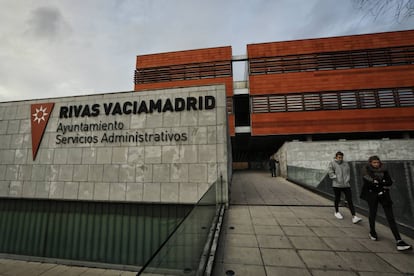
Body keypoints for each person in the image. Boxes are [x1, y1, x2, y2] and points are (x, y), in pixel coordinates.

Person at [360, 155, 412, 251]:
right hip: (372, 196)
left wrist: (379, 182)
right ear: (370, 163)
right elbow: (369, 183)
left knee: (390, 217)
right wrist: (382, 182)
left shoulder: (384, 170)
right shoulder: (366, 171)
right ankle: (372, 232)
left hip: (384, 195)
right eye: (374, 162)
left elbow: (389, 182)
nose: (376, 164)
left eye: (377, 162)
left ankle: (399, 240)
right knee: (373, 213)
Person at [328, 151, 362, 224]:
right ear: (336, 157)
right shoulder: (332, 163)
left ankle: (354, 216)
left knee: (349, 200)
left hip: (346, 185)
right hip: (337, 185)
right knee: (337, 198)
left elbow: (348, 172)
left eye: (341, 157)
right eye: (339, 157)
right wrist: (336, 178)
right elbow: (330, 172)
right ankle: (337, 212)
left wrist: (347, 179)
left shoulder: (345, 163)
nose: (340, 159)